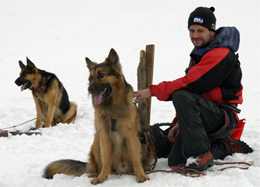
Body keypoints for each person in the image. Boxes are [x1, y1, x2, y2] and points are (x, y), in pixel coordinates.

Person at [134, 6, 253, 172]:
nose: (195, 35)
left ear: (212, 31)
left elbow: (190, 84)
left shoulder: (221, 54)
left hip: (222, 115)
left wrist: (151, 91)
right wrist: (179, 124)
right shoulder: (201, 51)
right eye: (191, 30)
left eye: (200, 30)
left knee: (181, 94)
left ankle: (204, 152)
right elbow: (194, 93)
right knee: (174, 158)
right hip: (203, 112)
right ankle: (217, 145)